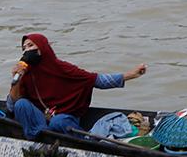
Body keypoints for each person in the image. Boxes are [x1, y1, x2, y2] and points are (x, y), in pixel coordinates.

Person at [8, 33, 147, 139]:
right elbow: (11, 106)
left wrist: (130, 75)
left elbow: (96, 80)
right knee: (21, 104)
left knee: (58, 122)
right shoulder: (26, 73)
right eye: (24, 48)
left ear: (43, 47)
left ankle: (80, 140)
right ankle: (40, 138)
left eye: (30, 46)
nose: (26, 51)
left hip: (64, 117)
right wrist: (17, 79)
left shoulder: (62, 68)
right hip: (41, 119)